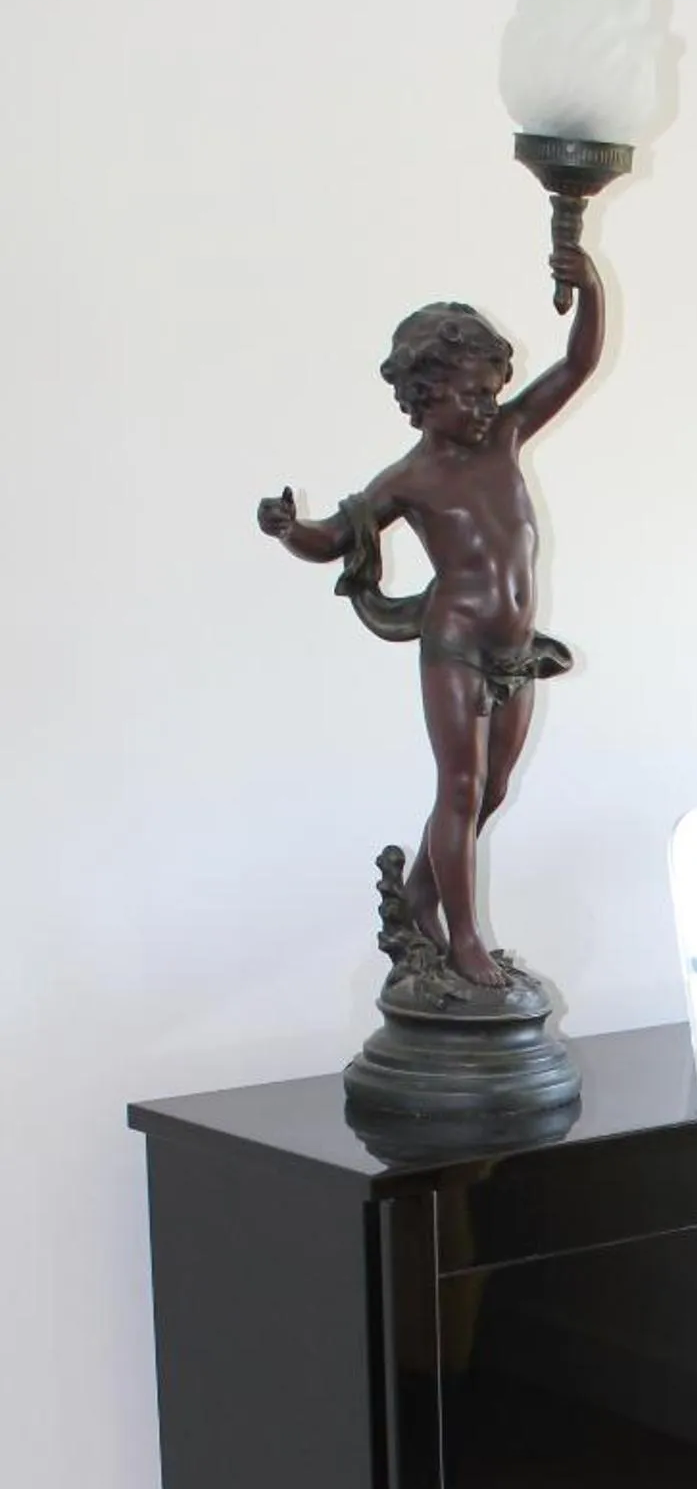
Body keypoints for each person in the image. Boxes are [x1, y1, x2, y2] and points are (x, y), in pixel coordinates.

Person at [258, 242, 603, 990]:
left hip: (515, 650)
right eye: (469, 395)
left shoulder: (507, 435)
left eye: (491, 391)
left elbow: (576, 366)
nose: (485, 407)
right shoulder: (411, 478)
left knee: (492, 790)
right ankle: (462, 936)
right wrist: (291, 530)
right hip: (454, 644)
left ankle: (418, 896)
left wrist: (590, 288)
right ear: (423, 395)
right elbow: (335, 538)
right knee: (457, 786)